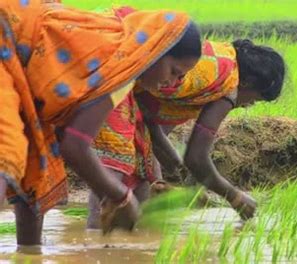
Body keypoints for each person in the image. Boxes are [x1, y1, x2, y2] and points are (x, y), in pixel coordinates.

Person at [0, 0, 201, 246]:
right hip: (7, 36)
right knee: (6, 153)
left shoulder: (120, 65)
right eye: (174, 71)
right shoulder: (117, 68)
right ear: (157, 48)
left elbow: (67, 137)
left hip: (19, 60)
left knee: (34, 174)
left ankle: (28, 253)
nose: (173, 83)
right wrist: (122, 196)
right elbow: (75, 147)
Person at [87, 6, 286, 224]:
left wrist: (171, 172)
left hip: (122, 60)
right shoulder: (229, 86)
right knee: (114, 167)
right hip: (118, 69)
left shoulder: (215, 61)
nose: (248, 105)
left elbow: (152, 129)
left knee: (141, 179)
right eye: (254, 99)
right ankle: (95, 245)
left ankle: (131, 246)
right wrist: (235, 196)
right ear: (247, 83)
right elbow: (197, 158)